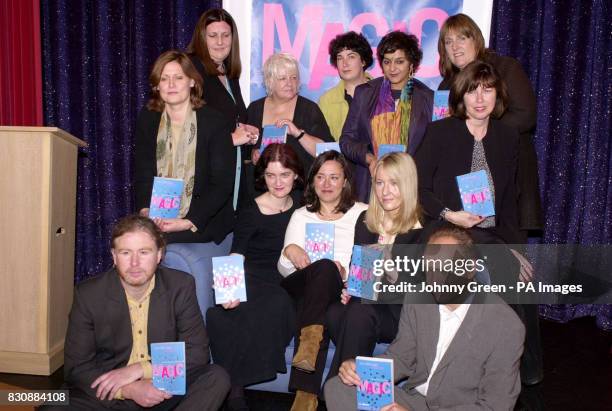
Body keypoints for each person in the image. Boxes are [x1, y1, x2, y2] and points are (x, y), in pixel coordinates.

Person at [324, 226, 525, 411]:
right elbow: (402, 358)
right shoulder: (419, 300)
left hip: (459, 407)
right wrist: (360, 370)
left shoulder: (505, 324)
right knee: (338, 388)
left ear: (470, 269)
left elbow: (495, 406)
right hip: (415, 400)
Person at [40, 215, 230, 410]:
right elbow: (77, 367)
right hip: (113, 392)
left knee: (215, 377)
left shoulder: (180, 286)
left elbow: (197, 352)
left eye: (144, 252)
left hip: (164, 388)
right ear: (114, 256)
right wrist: (129, 389)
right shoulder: (88, 294)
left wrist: (141, 370)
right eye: (125, 253)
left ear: (159, 255)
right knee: (54, 405)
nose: (135, 263)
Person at [134, 50, 235, 319]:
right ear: (156, 85)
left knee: (145, 244)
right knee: (133, 240)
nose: (170, 84)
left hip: (203, 221)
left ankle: (189, 340)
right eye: (164, 79)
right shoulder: (148, 119)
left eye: (178, 77)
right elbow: (142, 175)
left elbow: (222, 185)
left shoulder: (214, 121)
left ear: (192, 81)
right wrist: (146, 213)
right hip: (159, 216)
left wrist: (187, 220)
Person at [205, 144, 303, 411]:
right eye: (271, 175)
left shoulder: (304, 205)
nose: (278, 182)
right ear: (263, 177)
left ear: (295, 174)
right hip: (252, 276)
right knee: (227, 314)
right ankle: (235, 391)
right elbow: (237, 255)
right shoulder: (251, 210)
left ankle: (234, 386)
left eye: (284, 174)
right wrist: (229, 291)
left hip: (285, 278)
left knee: (278, 301)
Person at [278, 150, 368, 410]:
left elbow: (370, 259)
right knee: (325, 268)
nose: (327, 184)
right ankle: (309, 342)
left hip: (334, 292)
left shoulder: (361, 213)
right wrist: (289, 253)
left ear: (345, 181)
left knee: (325, 302)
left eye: (334, 177)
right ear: (312, 181)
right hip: (300, 284)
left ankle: (304, 396)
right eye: (320, 177)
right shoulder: (301, 214)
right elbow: (284, 271)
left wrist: (348, 276)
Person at [437, 13, 542, 233]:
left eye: (461, 38)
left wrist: (480, 131)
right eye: (448, 41)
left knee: (504, 256)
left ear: (475, 39)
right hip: (462, 182)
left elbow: (525, 115)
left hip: (505, 176)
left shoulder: (505, 68)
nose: (455, 46)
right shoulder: (446, 86)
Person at [325, 152, 424, 381]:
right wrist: (351, 288)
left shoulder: (425, 228)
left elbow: (421, 290)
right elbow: (359, 273)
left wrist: (393, 270)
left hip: (402, 312)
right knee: (335, 312)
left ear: (408, 185)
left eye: (394, 183)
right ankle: (351, 386)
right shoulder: (365, 220)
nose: (385, 191)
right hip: (368, 305)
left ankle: (337, 388)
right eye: (379, 183)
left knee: (359, 313)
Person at [415, 60, 521, 245]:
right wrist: (449, 214)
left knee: (511, 270)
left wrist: (515, 250)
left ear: (497, 94)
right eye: (472, 91)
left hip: (492, 239)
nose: (480, 99)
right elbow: (417, 187)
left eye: (487, 90)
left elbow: (509, 202)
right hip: (445, 232)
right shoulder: (439, 132)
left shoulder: (507, 137)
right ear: (461, 96)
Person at [340, 30, 433, 202]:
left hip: (410, 187)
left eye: (399, 62)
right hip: (371, 185)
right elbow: (346, 140)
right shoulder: (364, 94)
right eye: (387, 61)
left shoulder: (428, 99)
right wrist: (370, 159)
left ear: (411, 63)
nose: (392, 68)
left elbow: (436, 149)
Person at [187, 8, 260, 210]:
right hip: (204, 185)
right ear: (202, 38)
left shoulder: (228, 73)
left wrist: (244, 130)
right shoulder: (190, 70)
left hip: (229, 178)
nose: (220, 42)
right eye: (213, 36)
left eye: (225, 35)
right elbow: (185, 135)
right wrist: (231, 139)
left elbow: (224, 121)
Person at [249, 52, 335, 173]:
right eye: (283, 78)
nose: (289, 83)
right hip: (259, 187)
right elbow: (242, 150)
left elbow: (327, 152)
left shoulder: (309, 109)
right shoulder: (254, 109)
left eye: (293, 77)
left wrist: (298, 134)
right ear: (270, 81)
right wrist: (253, 153)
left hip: (299, 187)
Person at [318, 31, 374, 140]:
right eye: (340, 58)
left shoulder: (383, 93)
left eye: (351, 57)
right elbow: (323, 144)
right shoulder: (326, 100)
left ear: (363, 61)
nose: (345, 63)